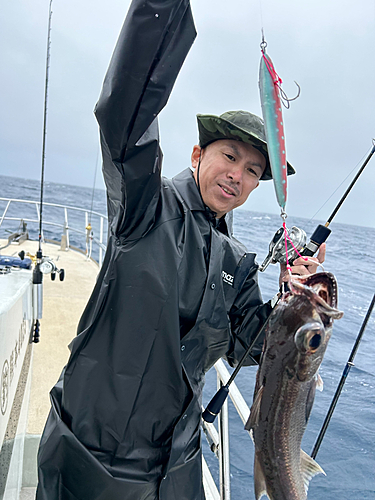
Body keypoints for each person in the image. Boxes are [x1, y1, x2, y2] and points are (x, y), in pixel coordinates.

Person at [36, 1, 325, 499]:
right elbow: (123, 116)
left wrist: (297, 308)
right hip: (92, 462)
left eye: (254, 170)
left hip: (178, 468)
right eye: (229, 156)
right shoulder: (144, 204)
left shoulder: (236, 260)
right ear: (197, 156)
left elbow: (251, 347)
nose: (238, 174)